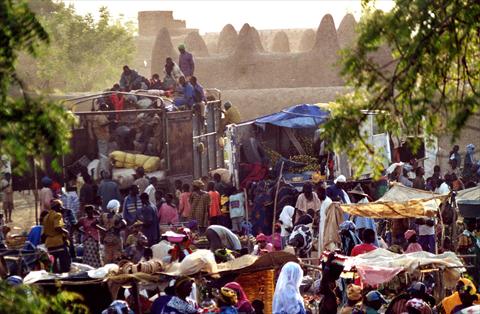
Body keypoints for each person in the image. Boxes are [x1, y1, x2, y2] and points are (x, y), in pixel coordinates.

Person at [42, 199, 71, 273]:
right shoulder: (57, 215)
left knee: (53, 263)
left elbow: (44, 232)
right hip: (58, 242)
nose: (61, 208)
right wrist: (66, 232)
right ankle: (65, 278)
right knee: (65, 262)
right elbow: (57, 227)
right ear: (57, 207)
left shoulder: (46, 217)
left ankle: (54, 277)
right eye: (60, 206)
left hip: (49, 243)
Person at [98, 199, 126, 264]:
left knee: (107, 258)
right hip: (116, 239)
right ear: (116, 207)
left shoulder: (103, 216)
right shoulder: (117, 216)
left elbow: (97, 224)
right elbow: (124, 224)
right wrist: (118, 227)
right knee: (117, 258)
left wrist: (104, 230)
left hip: (107, 240)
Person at [317, 184, 333, 254]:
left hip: (327, 229)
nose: (317, 196)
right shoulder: (323, 202)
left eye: (318, 194)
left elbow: (330, 218)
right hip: (322, 227)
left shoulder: (328, 202)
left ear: (322, 193)